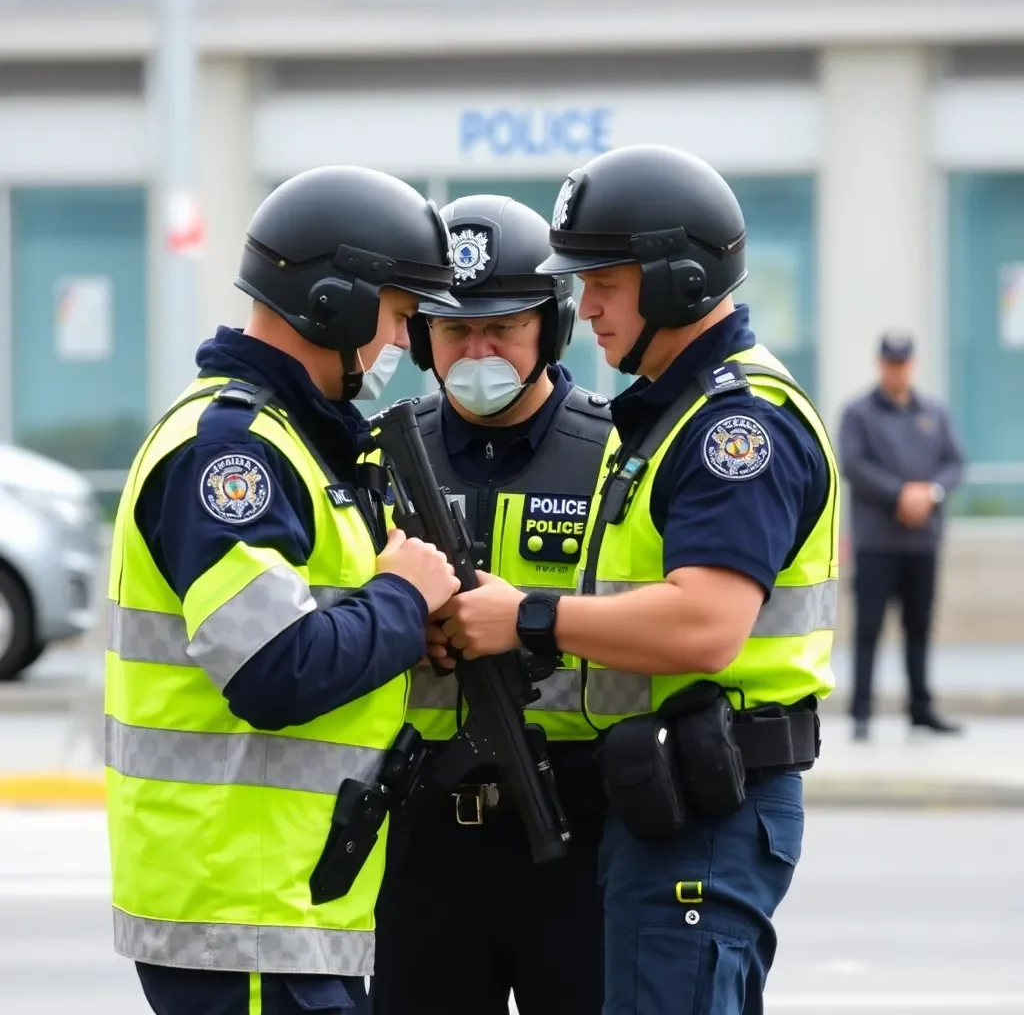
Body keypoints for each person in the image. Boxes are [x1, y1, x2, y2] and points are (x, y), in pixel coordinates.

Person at [431, 144, 839, 1015]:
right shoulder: (668, 417)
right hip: (664, 801)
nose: (590, 307)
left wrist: (525, 618)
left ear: (679, 281)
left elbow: (706, 625)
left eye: (606, 282)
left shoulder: (737, 428)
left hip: (709, 802)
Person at [103, 165, 464, 1015]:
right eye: (402, 317)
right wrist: (403, 602)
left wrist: (405, 632)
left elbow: (312, 628)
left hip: (282, 907)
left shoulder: (293, 441)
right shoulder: (232, 456)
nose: (401, 349)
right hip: (247, 911)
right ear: (335, 303)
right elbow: (273, 668)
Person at [372, 194, 612, 1015]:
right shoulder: (376, 461)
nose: (478, 351)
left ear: (551, 327)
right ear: (419, 339)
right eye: (453, 330)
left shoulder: (620, 455)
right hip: (424, 834)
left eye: (502, 328)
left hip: (581, 827)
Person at [838, 332, 965, 741]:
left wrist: (931, 493)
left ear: (913, 364)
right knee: (869, 626)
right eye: (891, 363)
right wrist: (901, 494)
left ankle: (920, 707)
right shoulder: (858, 412)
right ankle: (861, 712)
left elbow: (954, 462)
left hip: (922, 539)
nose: (897, 370)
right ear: (881, 364)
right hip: (876, 540)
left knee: (920, 625)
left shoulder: (934, 412)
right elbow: (854, 464)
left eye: (904, 362)